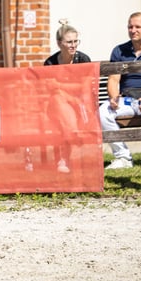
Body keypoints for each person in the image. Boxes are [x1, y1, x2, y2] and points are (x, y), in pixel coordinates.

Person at [99, 12, 141, 169]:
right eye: (130, 27)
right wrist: (113, 97)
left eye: (138, 27)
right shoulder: (119, 51)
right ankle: (123, 157)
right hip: (127, 98)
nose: (133, 30)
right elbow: (113, 79)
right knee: (103, 112)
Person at [43, 19, 91, 173]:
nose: (74, 45)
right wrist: (68, 92)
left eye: (76, 41)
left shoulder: (83, 59)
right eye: (69, 42)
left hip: (80, 103)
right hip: (57, 108)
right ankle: (69, 153)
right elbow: (50, 89)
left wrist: (62, 89)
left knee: (59, 101)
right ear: (59, 43)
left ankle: (63, 160)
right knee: (58, 102)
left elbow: (84, 87)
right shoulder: (50, 62)